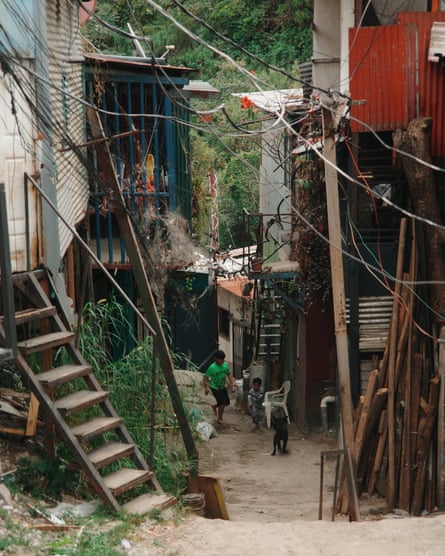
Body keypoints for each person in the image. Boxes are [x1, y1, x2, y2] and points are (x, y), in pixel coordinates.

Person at [203, 350, 236, 424]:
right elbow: (205, 378)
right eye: (220, 359)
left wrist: (233, 382)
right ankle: (220, 418)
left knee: (226, 402)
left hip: (222, 386)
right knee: (222, 404)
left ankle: (214, 406)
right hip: (215, 387)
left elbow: (229, 374)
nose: (222, 361)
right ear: (216, 359)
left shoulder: (225, 365)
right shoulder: (212, 367)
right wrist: (206, 387)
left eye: (223, 359)